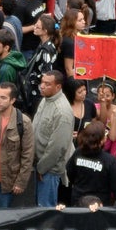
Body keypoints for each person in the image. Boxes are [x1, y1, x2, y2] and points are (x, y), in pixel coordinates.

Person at [32, 70, 74, 207]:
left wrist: (41, 168)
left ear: (58, 87)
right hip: (39, 165)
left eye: (47, 84)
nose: (42, 86)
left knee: (45, 210)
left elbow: (57, 147)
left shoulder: (62, 112)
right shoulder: (46, 99)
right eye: (42, 82)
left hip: (49, 170)